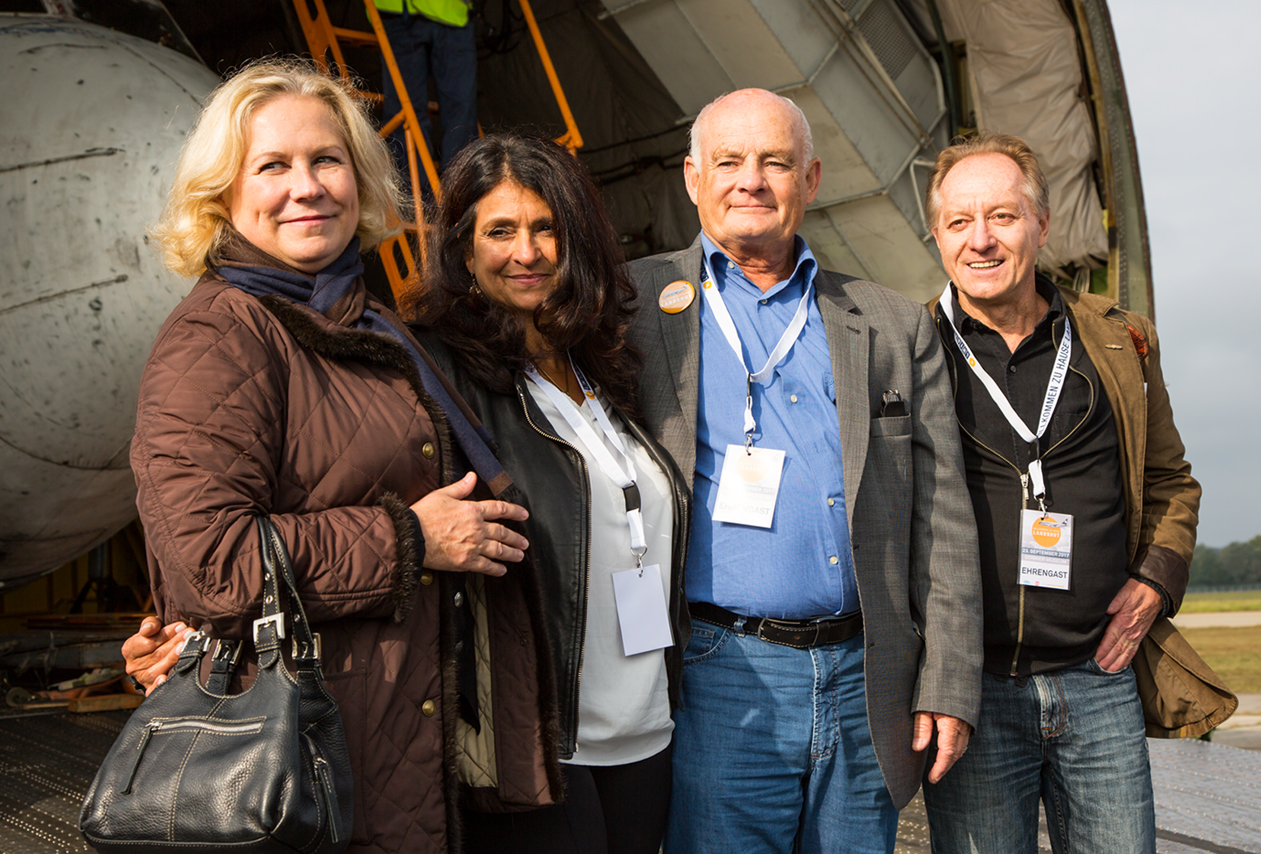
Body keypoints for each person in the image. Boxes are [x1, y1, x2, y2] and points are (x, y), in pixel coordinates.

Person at [126, 59, 547, 854]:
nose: (307, 186)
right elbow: (205, 562)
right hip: (302, 768)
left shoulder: (366, 324)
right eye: (272, 166)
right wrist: (412, 539)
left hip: (393, 748)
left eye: (326, 160)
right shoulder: (222, 333)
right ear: (222, 193)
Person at [624, 88, 983, 854]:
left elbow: (943, 516)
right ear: (693, 178)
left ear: (811, 180)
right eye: (729, 161)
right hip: (722, 675)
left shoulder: (892, 323)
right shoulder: (630, 304)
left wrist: (949, 680)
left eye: (775, 162)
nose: (751, 179)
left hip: (867, 676)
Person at [403, 132, 690, 854]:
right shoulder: (436, 377)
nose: (526, 252)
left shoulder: (605, 364)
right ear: (464, 250)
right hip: (539, 741)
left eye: (545, 228)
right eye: (500, 231)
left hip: (645, 726)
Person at [921, 133, 1201, 853]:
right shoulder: (909, 347)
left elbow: (1171, 481)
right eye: (959, 222)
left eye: (1003, 218)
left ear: (1041, 225)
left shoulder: (1118, 340)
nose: (980, 241)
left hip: (1097, 678)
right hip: (971, 691)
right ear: (937, 234)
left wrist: (1155, 581)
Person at [374, 0, 478, 184]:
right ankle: (418, 205)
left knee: (462, 112)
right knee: (406, 115)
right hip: (399, 12)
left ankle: (461, 194)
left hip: (453, 13)